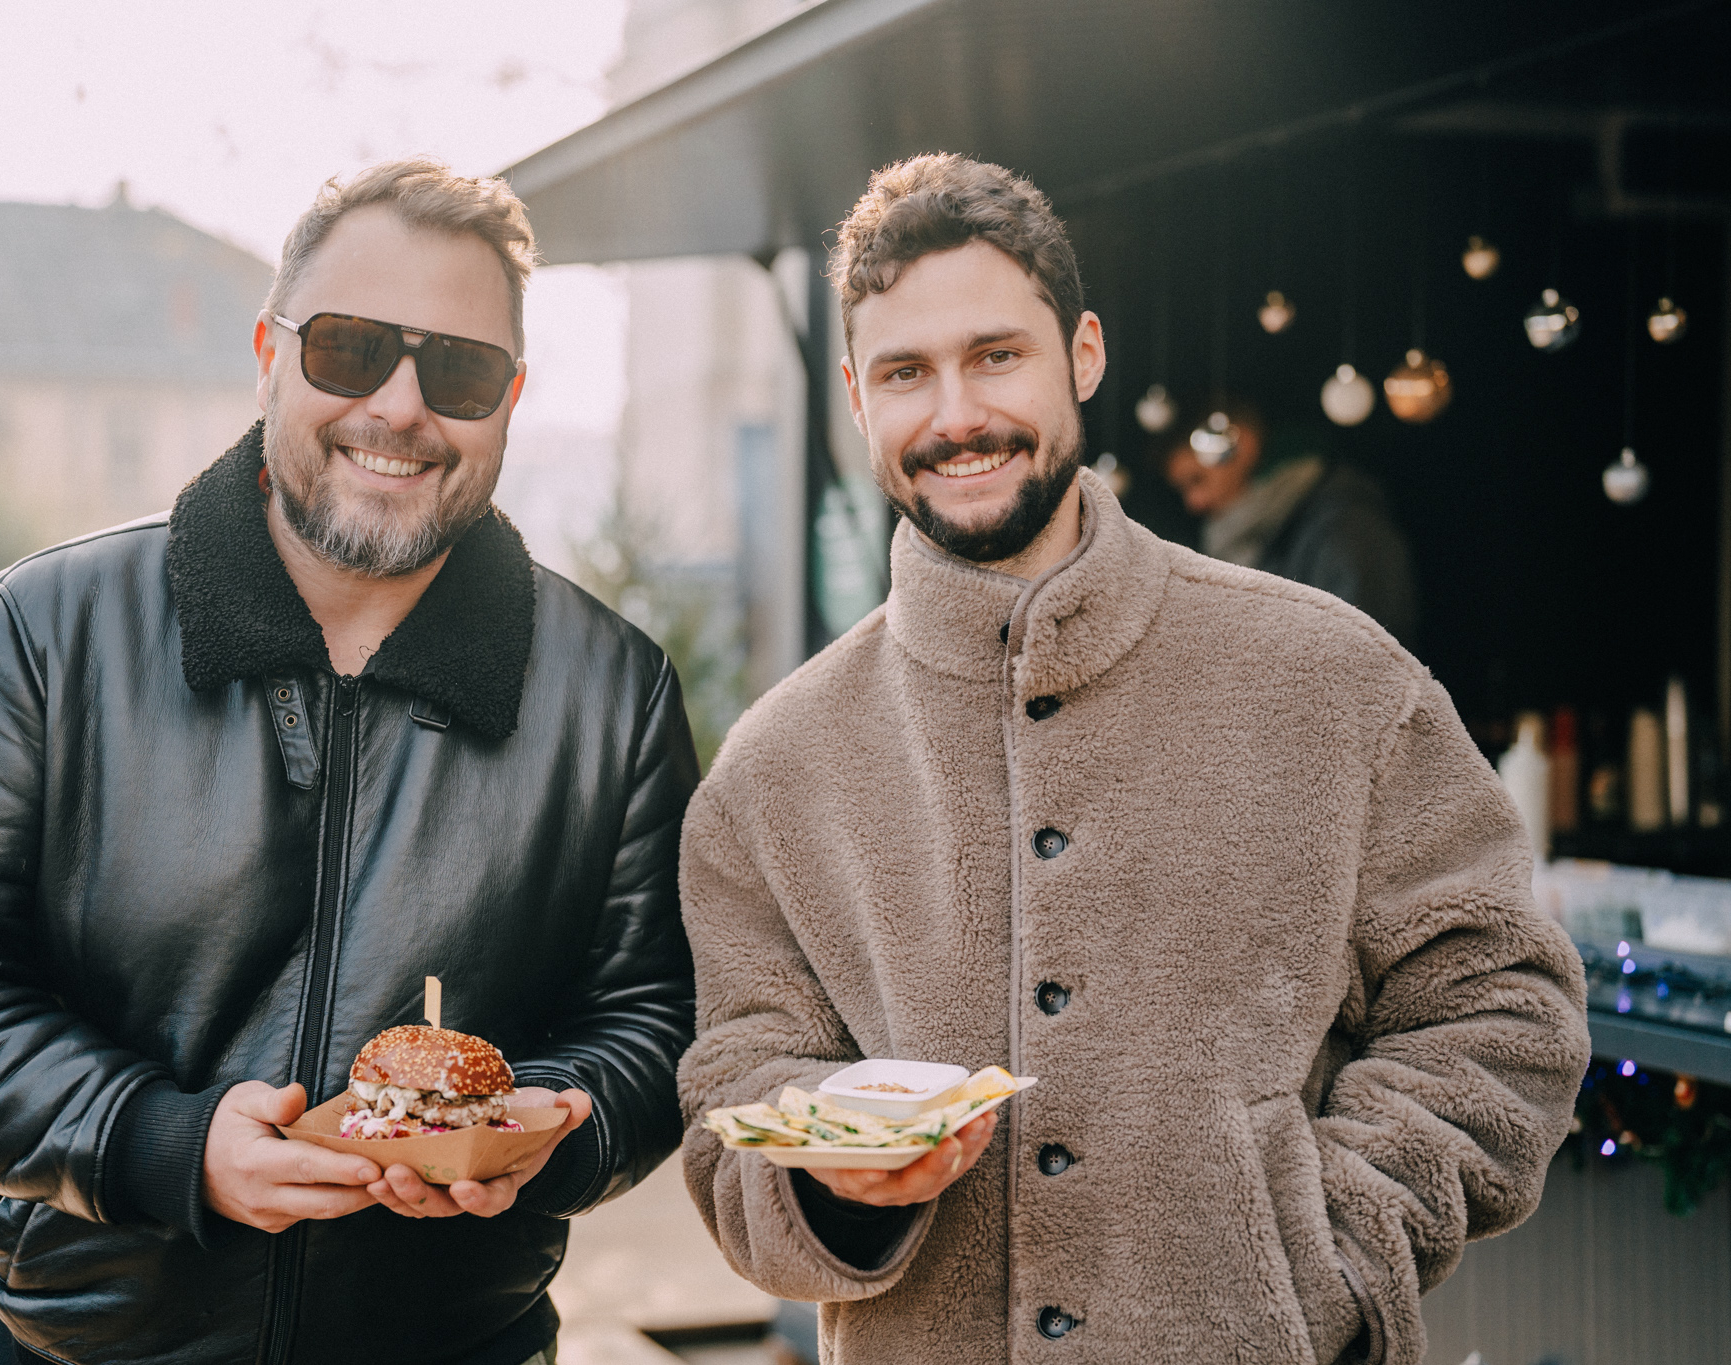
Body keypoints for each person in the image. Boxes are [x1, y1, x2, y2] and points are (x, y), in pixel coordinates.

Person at [677, 153, 1587, 1365]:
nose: (955, 416)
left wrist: (1328, 1259)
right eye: (905, 372)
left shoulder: (1332, 675)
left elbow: (1499, 1003)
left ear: (1082, 354)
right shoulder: (772, 767)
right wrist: (837, 1182)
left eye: (995, 354)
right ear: (854, 396)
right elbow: (730, 1087)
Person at [0, 160, 698, 1365]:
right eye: (349, 348)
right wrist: (157, 1143)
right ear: (266, 352)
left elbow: (653, 1013)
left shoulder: (612, 692)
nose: (399, 408)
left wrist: (557, 1127)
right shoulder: (46, 629)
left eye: (456, 367)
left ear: (510, 397)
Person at [1164, 405, 1418, 644]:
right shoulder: (1257, 534)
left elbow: (1364, 660)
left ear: (1243, 445)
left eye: (1197, 479)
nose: (1194, 503)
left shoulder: (1344, 524)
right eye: (1182, 490)